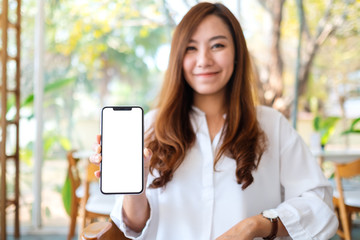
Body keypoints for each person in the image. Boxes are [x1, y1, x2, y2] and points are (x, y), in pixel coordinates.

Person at [90, 2, 338, 239]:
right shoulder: (149, 127)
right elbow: (133, 228)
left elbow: (319, 204)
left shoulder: (271, 125)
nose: (204, 60)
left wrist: (255, 225)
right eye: (191, 48)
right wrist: (137, 187)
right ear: (178, 57)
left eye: (217, 46)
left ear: (237, 53)